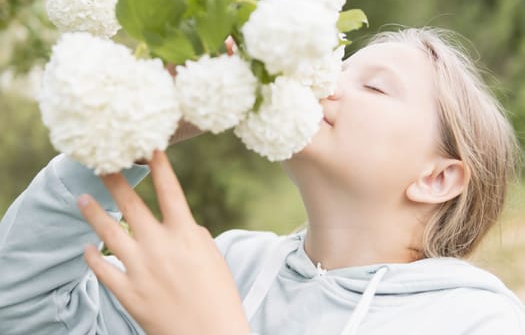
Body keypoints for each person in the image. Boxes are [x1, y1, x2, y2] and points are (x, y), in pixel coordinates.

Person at [0, 27, 524, 335]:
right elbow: (19, 311)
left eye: (376, 88)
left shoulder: (478, 321)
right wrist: (134, 134)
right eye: (336, 71)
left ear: (437, 178)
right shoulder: (227, 264)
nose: (326, 87)